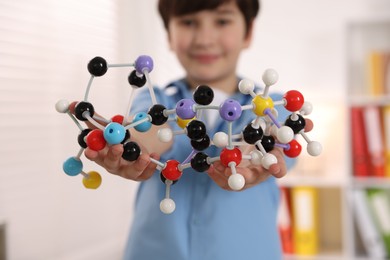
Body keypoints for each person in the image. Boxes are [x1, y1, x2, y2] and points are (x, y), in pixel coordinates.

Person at [83, 0, 299, 259]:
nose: (205, 39)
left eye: (222, 21)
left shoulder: (274, 105)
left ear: (248, 32)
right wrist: (131, 145)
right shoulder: (153, 100)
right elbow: (150, 131)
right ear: (169, 36)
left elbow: (275, 134)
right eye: (188, 22)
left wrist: (254, 149)